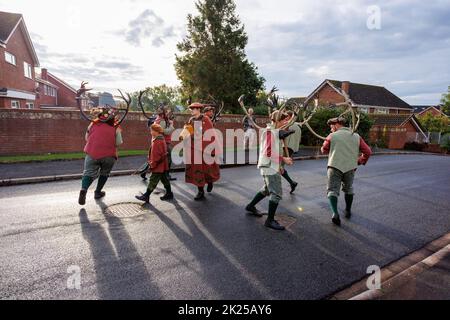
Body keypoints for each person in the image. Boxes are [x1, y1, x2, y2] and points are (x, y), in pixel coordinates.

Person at [245, 111, 294, 231]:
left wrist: (280, 166)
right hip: (269, 166)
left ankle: (250, 206)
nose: (285, 123)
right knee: (276, 193)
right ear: (277, 121)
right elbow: (268, 153)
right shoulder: (270, 133)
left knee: (267, 189)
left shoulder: (272, 131)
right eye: (283, 120)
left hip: (271, 165)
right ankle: (270, 220)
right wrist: (284, 159)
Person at [321, 117, 372, 226]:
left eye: (331, 127)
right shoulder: (356, 136)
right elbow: (367, 151)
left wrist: (329, 146)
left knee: (332, 190)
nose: (331, 129)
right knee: (348, 189)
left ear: (336, 125)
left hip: (334, 166)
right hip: (350, 167)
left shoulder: (332, 136)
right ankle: (348, 210)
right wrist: (359, 161)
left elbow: (324, 149)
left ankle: (335, 213)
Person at [78, 108, 123, 205]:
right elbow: (118, 143)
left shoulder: (93, 123)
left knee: (88, 173)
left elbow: (87, 138)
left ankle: (84, 189)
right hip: (109, 155)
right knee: (104, 173)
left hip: (92, 152)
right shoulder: (115, 126)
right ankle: (97, 192)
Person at [184, 102, 221, 201]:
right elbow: (188, 132)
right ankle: (200, 191)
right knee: (197, 170)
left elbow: (209, 134)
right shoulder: (191, 120)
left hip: (205, 150)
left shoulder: (205, 119)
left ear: (198, 109)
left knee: (207, 169)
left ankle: (210, 181)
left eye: (193, 109)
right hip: (194, 151)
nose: (191, 110)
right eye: (191, 109)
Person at [135, 124, 174, 203]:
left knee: (153, 180)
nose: (150, 132)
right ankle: (169, 193)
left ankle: (146, 196)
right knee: (165, 180)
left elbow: (157, 156)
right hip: (162, 165)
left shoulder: (157, 141)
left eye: (151, 130)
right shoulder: (160, 139)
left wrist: (152, 164)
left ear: (156, 131)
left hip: (158, 165)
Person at [153, 105, 176, 181]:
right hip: (164, 142)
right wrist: (172, 125)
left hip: (159, 141)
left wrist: (169, 122)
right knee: (168, 159)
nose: (168, 112)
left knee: (159, 159)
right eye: (167, 111)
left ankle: (144, 172)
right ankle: (166, 176)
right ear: (164, 112)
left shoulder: (158, 119)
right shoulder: (162, 120)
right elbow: (164, 132)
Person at [280, 111, 300, 193]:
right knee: (280, 167)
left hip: (286, 147)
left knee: (279, 167)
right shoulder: (298, 126)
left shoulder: (288, 124)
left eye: (286, 116)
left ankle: (291, 183)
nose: (284, 118)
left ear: (290, 117)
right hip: (292, 148)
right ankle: (292, 183)